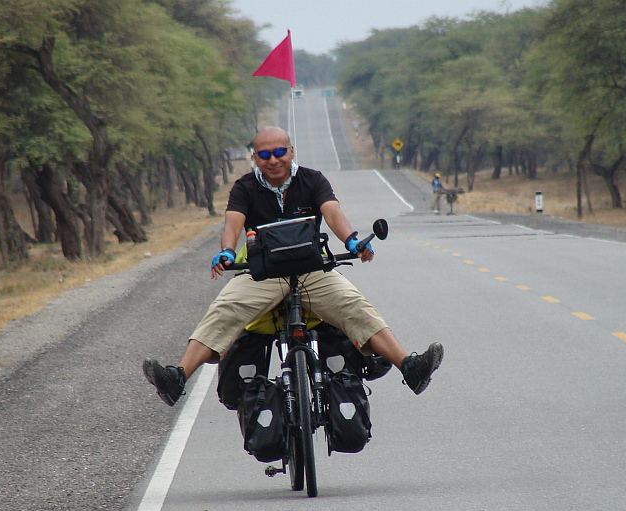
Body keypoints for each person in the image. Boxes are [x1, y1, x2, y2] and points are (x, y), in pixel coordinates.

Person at [143, 126, 443, 407]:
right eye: (265, 154)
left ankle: (409, 367)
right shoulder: (244, 187)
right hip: (264, 273)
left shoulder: (312, 180)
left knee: (354, 304)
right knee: (225, 308)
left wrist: (352, 241)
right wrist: (226, 252)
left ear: (291, 151)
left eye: (279, 152)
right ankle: (177, 377)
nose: (273, 160)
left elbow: (333, 212)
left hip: (312, 271)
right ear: (255, 157)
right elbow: (232, 223)